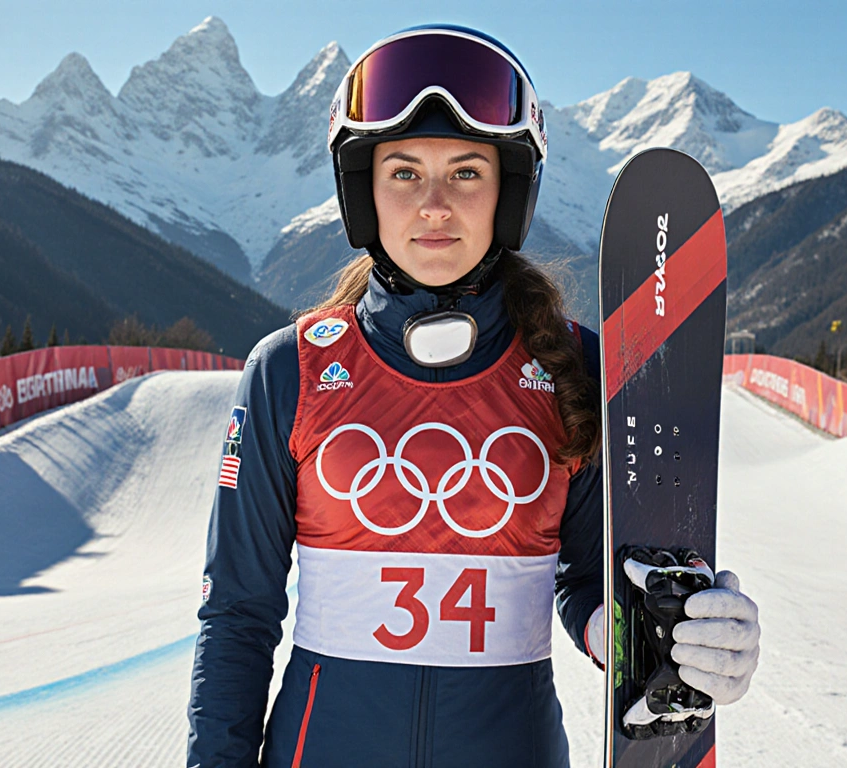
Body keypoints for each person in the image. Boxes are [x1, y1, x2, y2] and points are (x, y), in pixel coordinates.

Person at [186, 25, 759, 768]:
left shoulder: (576, 367)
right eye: (402, 173)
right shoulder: (288, 371)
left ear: (508, 193)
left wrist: (666, 642)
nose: (434, 206)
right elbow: (238, 615)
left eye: (465, 173)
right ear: (363, 190)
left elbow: (588, 580)